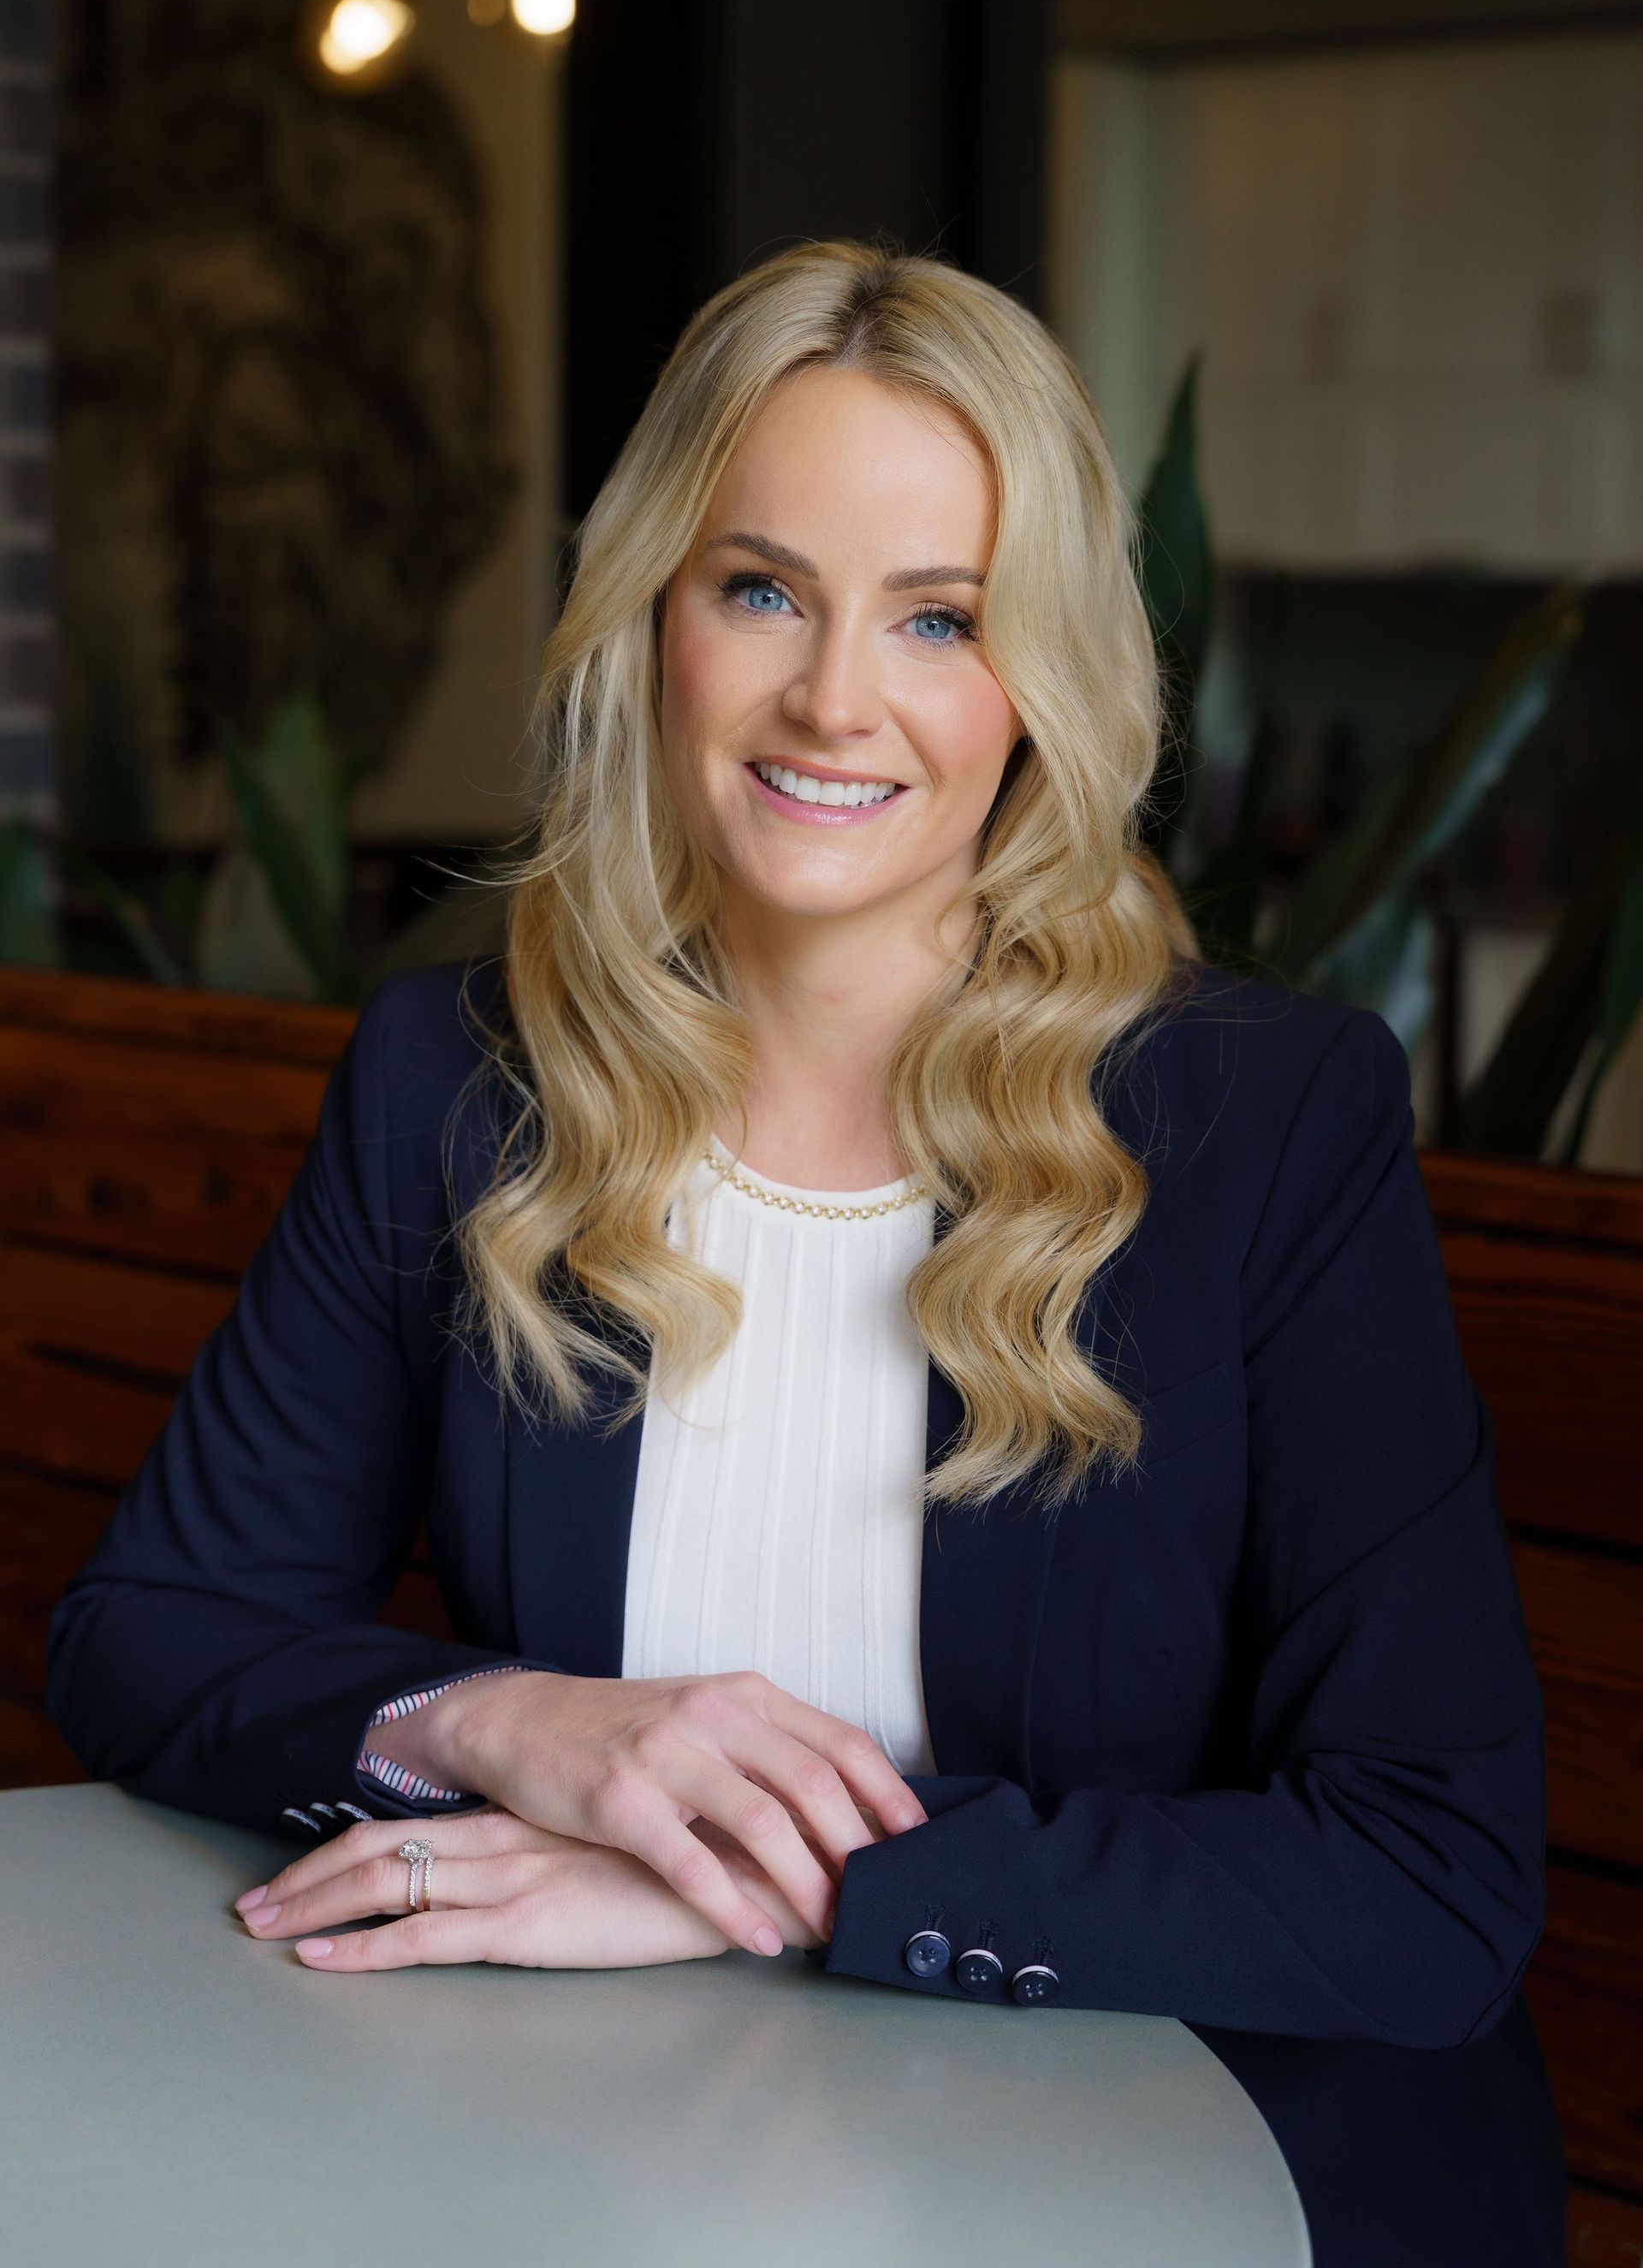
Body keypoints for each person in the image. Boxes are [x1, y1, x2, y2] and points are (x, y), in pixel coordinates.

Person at [44, 240, 1566, 2265]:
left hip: (1158, 2181)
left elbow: (1429, 1872)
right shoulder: (463, 1079)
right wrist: (506, 1722)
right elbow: (150, 1628)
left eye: (939, 619)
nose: (835, 698)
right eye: (761, 589)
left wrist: (778, 1883)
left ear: (1042, 682)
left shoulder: (1262, 1131)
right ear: (653, 617)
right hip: (609, 2159)